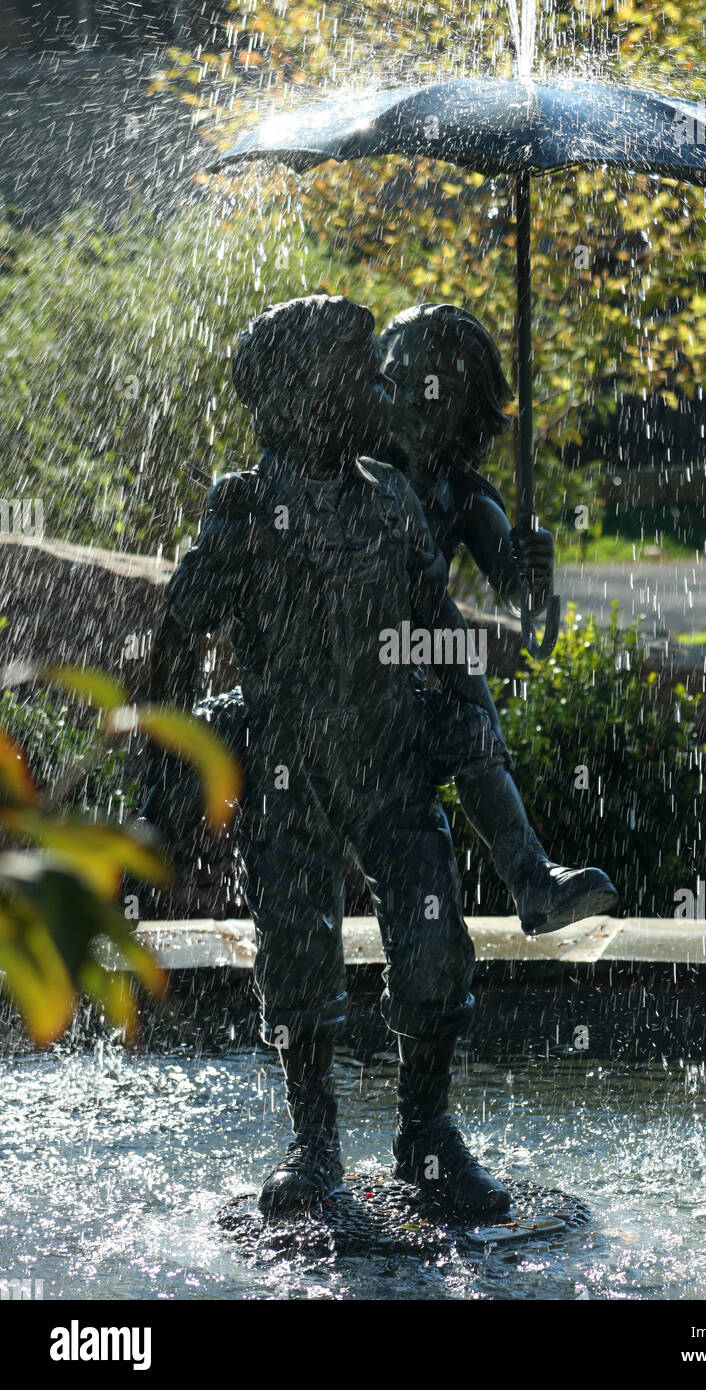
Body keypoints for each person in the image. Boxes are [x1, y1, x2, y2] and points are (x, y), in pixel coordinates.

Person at [147, 295, 512, 1217]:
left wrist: (475, 716)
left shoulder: (390, 499)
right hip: (287, 772)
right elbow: (177, 637)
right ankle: (314, 1144)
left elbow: (435, 621)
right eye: (359, 370)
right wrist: (165, 764)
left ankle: (426, 1135)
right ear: (303, 390)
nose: (382, 383)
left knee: (435, 948)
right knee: (299, 958)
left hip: (390, 758)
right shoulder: (246, 507)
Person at [380, 302, 617, 934]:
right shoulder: (351, 472)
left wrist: (535, 571)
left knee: (470, 709)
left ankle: (530, 875)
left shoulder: (465, 496)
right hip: (343, 647)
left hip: (419, 648)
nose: (418, 397)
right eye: (401, 376)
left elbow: (526, 609)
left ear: (466, 412)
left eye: (441, 390)